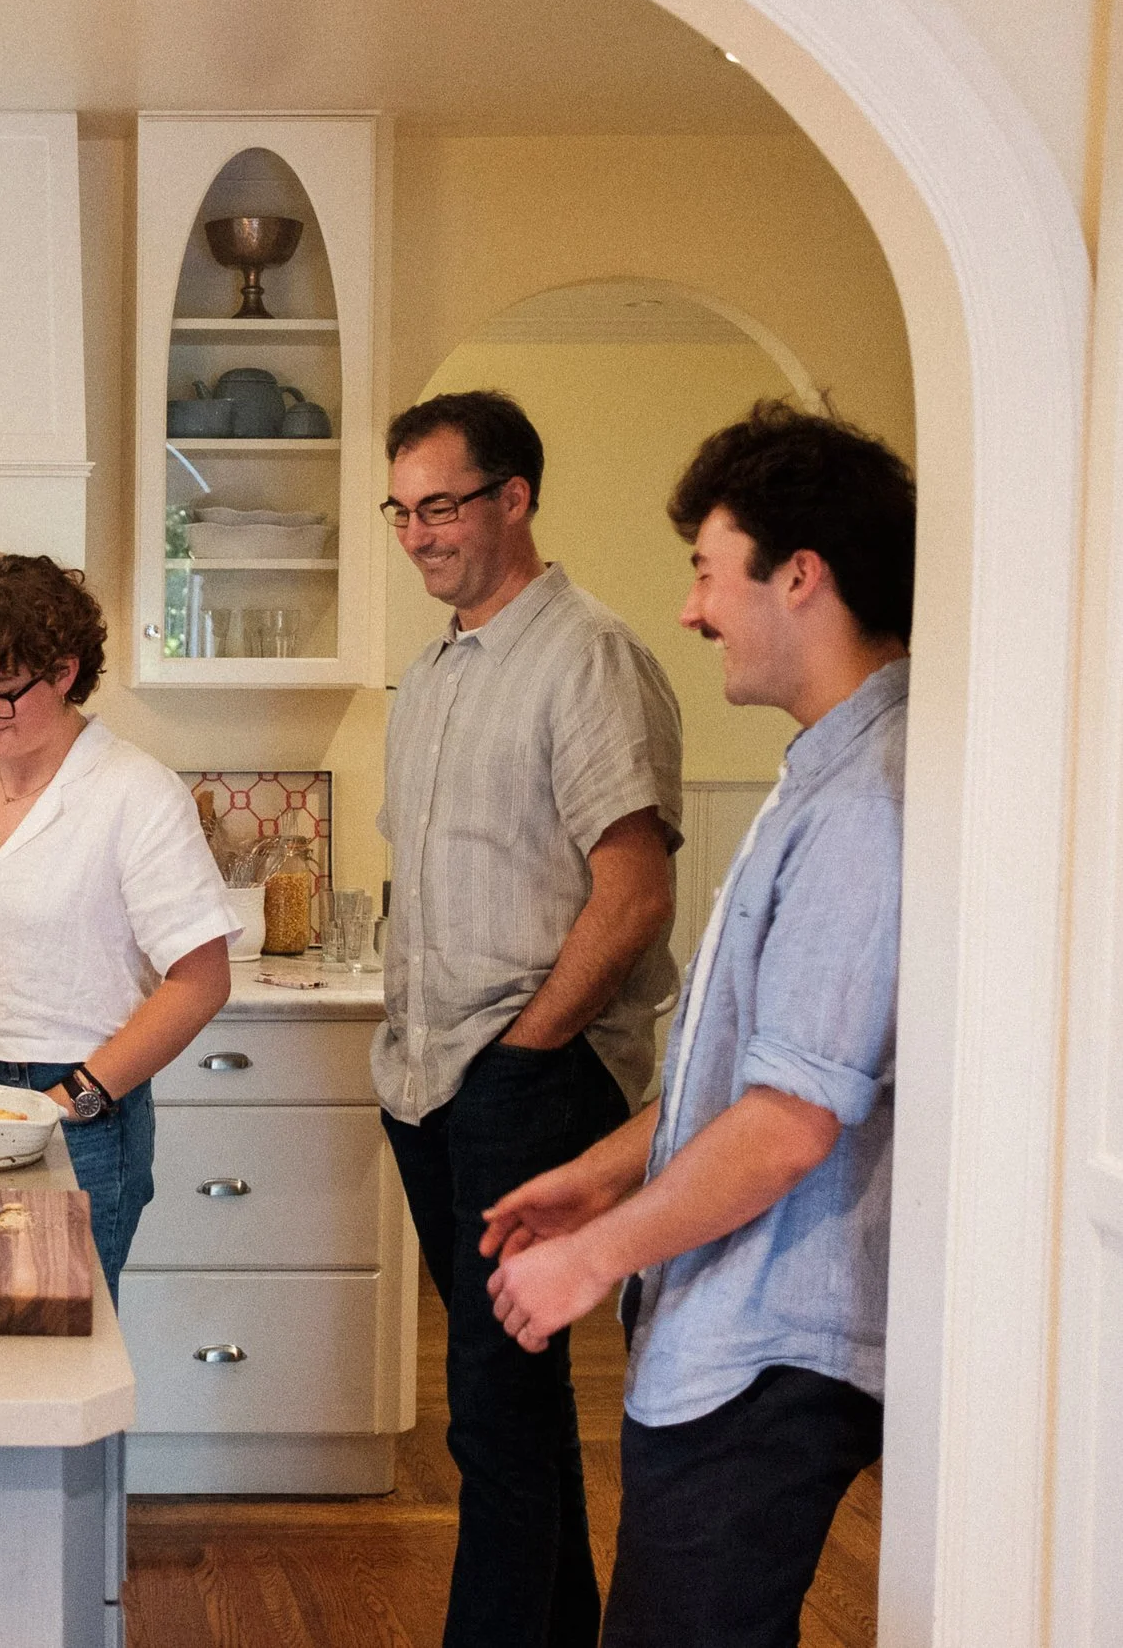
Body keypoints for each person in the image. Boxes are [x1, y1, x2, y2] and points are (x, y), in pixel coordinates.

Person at [484, 401, 913, 1647]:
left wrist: (595, 1252)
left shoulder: (867, 809)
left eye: (705, 570)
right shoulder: (821, 770)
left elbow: (786, 1125)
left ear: (799, 574)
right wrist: (595, 1175)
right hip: (727, 1316)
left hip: (772, 1341)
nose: (690, 607)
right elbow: (742, 1077)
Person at [374, 390, 684, 1648]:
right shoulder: (435, 670)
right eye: (400, 510)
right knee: (510, 1404)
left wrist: (524, 1054)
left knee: (494, 1415)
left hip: (526, 1077)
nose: (416, 534)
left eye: (439, 504)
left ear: (515, 496)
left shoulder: (588, 655)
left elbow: (633, 890)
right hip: (429, 1078)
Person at [0, 555, 235, 1291]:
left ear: (64, 672)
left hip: (79, 1108)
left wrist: (78, 1095)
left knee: (61, 1348)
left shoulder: (135, 793)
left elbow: (201, 982)